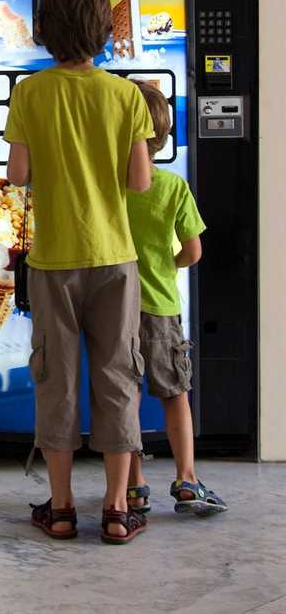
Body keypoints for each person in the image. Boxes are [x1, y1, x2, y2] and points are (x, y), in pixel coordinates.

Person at [3, 0, 154, 545]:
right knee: (118, 376)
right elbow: (139, 182)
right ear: (101, 29)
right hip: (115, 257)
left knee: (56, 379)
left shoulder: (30, 92)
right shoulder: (124, 96)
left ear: (44, 29)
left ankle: (62, 508)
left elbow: (18, 174)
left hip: (53, 261)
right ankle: (117, 509)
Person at [125, 81, 228, 517]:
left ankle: (134, 486)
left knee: (123, 399)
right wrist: (167, 264)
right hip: (161, 307)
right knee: (175, 396)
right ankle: (187, 479)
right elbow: (193, 251)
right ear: (163, 135)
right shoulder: (172, 187)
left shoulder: (110, 187)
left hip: (116, 309)